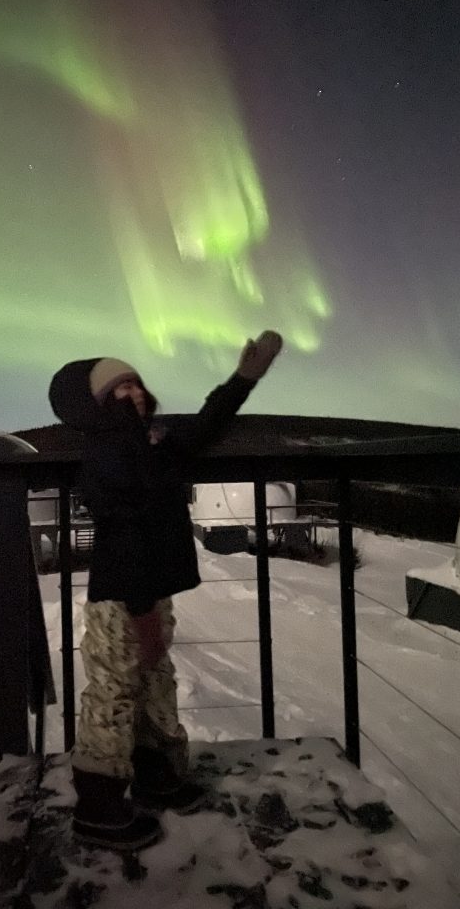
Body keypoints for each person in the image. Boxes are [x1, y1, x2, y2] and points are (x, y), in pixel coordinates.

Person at [48, 331, 283, 850]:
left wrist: (244, 379)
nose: (132, 392)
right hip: (123, 596)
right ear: (97, 406)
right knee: (113, 696)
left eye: (135, 383)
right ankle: (100, 810)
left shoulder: (147, 448)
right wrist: (142, 613)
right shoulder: (110, 454)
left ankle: (156, 778)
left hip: (148, 591)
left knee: (153, 685)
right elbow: (126, 530)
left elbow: (203, 430)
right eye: (117, 388)